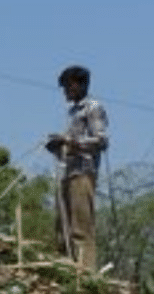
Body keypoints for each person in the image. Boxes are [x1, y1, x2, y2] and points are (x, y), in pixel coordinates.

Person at [45, 64, 108, 270]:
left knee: (80, 228)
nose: (65, 92)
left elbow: (101, 141)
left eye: (67, 87)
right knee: (62, 227)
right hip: (67, 172)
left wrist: (72, 142)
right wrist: (58, 146)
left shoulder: (93, 108)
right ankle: (66, 270)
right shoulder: (72, 111)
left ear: (79, 85)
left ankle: (86, 274)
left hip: (83, 173)